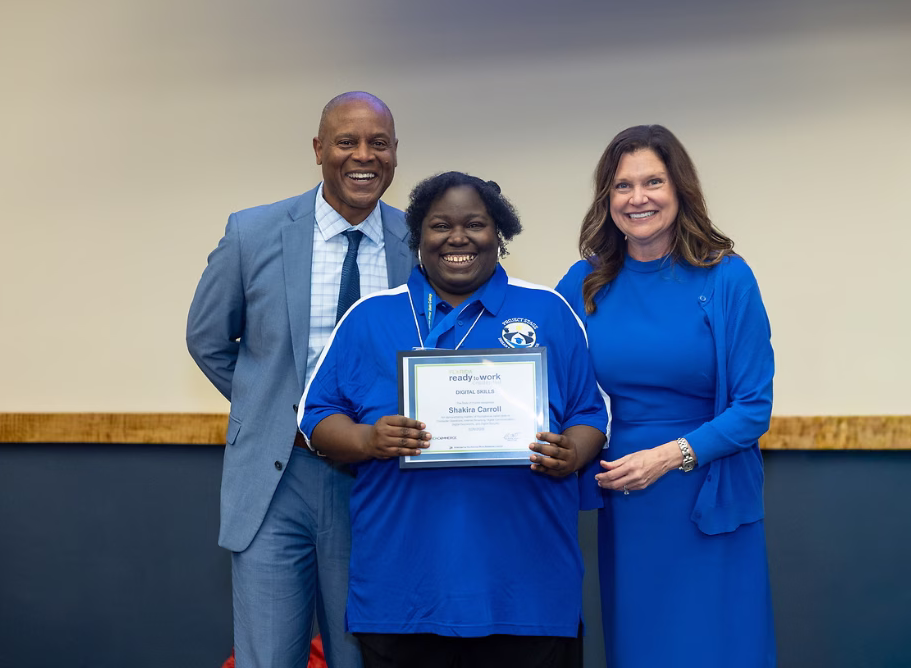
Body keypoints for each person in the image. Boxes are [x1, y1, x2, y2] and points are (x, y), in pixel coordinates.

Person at [298, 172, 608, 668]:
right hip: (404, 594)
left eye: (476, 224)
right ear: (419, 236)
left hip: (527, 591)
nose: (458, 237)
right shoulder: (370, 317)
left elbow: (591, 413)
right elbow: (315, 418)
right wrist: (367, 438)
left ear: (499, 235)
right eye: (440, 225)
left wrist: (573, 451)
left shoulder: (548, 311)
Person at [187, 91, 415, 668]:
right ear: (319, 150)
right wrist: (268, 406)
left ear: (394, 154)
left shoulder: (418, 241)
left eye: (378, 143)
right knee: (267, 657)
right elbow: (208, 339)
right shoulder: (253, 233)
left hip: (376, 484)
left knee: (363, 654)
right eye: (346, 141)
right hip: (275, 478)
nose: (363, 155)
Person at [556, 125, 776, 667]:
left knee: (719, 646)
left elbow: (753, 408)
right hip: (628, 498)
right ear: (607, 199)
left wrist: (668, 457)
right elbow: (544, 374)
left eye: (652, 181)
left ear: (679, 190)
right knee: (644, 647)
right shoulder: (584, 282)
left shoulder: (727, 277)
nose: (638, 198)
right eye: (622, 186)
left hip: (707, 488)